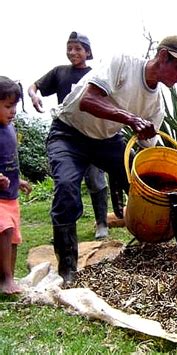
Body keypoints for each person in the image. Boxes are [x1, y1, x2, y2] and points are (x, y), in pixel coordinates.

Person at [47, 35, 177, 283]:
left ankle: (161, 245)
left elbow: (150, 150)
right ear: (162, 57)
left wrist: (169, 179)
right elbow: (88, 100)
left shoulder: (156, 104)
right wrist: (131, 119)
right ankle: (68, 268)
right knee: (66, 187)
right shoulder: (123, 63)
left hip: (106, 140)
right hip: (69, 133)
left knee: (151, 185)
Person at [28, 31, 109, 240]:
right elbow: (34, 86)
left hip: (91, 135)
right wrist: (34, 95)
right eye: (69, 48)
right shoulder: (59, 72)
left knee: (95, 180)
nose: (72, 52)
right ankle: (65, 227)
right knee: (66, 182)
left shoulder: (95, 74)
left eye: (78, 48)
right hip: (67, 138)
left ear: (87, 52)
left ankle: (102, 222)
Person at [0, 76, 32, 294]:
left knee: (13, 239)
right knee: (5, 230)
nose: (12, 112)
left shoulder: (10, 128)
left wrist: (18, 180)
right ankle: (6, 278)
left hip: (11, 196)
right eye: (7, 106)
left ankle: (8, 277)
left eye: (15, 107)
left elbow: (9, 160)